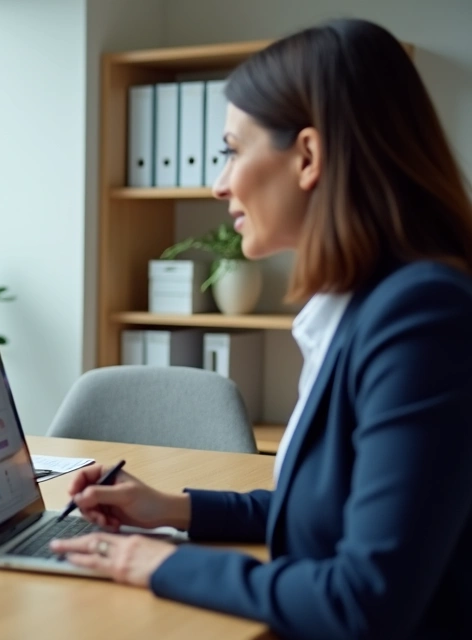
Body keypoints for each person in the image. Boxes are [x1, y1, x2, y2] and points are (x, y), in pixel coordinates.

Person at [51, 19, 472, 639]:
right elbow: (335, 510)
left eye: (232, 149)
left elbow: (365, 600)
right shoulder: (366, 305)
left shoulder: (419, 318)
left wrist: (162, 563)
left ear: (308, 156)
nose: (219, 182)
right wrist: (174, 510)